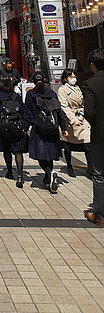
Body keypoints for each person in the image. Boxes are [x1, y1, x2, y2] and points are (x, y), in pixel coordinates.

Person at [24, 72, 66, 193]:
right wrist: (63, 128)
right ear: (44, 79)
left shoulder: (30, 94)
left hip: (39, 128)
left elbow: (27, 114)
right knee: (50, 154)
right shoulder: (51, 93)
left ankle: (50, 173)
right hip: (52, 129)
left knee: (40, 155)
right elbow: (59, 111)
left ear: (32, 81)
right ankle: (48, 178)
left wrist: (26, 127)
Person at [0, 74, 28, 188]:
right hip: (16, 128)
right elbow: (23, 111)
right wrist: (24, 126)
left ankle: (10, 171)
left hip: (3, 128)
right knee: (18, 151)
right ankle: (20, 175)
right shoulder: (16, 96)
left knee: (6, 150)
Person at [82, 49, 104, 226]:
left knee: (99, 175)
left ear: (92, 65)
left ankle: (100, 214)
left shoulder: (90, 84)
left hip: (100, 135)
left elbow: (90, 111)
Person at [58, 68, 92, 178]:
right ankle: (69, 166)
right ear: (65, 78)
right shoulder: (62, 90)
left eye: (74, 76)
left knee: (87, 141)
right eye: (70, 77)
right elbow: (64, 106)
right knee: (68, 144)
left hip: (81, 117)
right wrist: (73, 120)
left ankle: (90, 168)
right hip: (69, 119)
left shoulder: (77, 88)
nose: (73, 79)